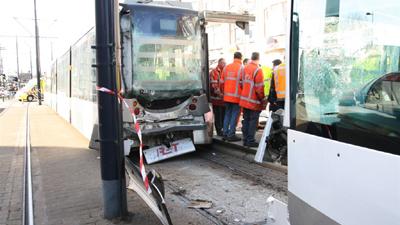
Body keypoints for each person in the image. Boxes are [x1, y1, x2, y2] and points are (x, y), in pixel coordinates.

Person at [239, 52, 265, 147]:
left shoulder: (244, 68)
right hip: (253, 101)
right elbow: (259, 88)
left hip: (244, 100)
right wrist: (263, 99)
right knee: (253, 121)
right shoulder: (258, 70)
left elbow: (241, 83)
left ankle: (245, 139)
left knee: (246, 120)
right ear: (258, 58)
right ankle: (250, 140)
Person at [220, 52, 244, 142]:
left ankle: (225, 133)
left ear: (233, 57)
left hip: (227, 97)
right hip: (236, 97)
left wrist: (224, 92)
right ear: (241, 58)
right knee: (234, 115)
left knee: (227, 114)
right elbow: (243, 84)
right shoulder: (241, 68)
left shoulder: (226, 67)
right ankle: (231, 134)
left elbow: (221, 82)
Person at [210, 58, 226, 136]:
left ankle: (222, 129)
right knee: (218, 115)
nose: (224, 64)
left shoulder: (225, 71)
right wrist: (220, 94)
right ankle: (219, 131)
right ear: (219, 63)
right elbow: (214, 85)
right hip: (217, 99)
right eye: (223, 63)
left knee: (223, 115)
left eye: (225, 63)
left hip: (223, 99)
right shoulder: (214, 72)